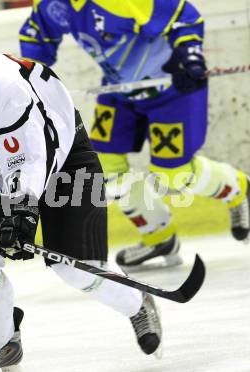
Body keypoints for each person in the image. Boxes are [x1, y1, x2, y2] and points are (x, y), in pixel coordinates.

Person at [0, 9, 162, 372]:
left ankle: (138, 304)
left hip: (64, 162)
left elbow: (28, 152)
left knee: (77, 270)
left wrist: (22, 209)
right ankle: (3, 347)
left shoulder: (2, 82)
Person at [19, 0, 250, 270]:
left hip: (171, 88)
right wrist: (30, 79)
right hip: (119, 91)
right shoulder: (52, 4)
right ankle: (159, 236)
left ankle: (239, 189)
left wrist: (190, 54)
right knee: (104, 168)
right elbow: (36, 35)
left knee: (173, 174)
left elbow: (184, 17)